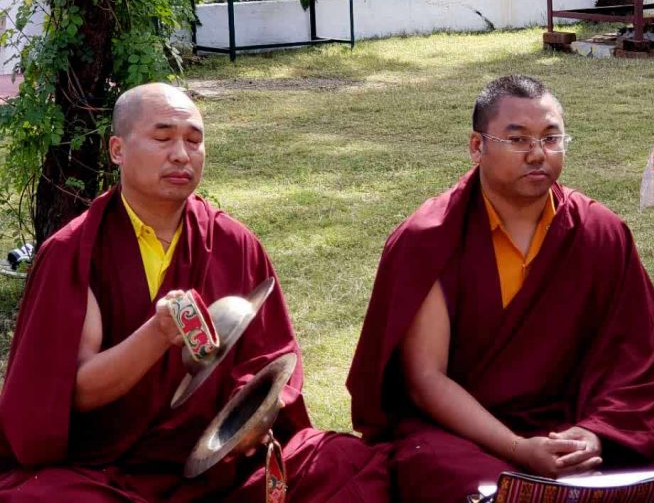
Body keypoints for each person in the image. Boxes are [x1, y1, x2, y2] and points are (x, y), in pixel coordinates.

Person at [348, 75, 654, 503]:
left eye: (551, 138)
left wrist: (596, 433)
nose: (537, 154)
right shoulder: (430, 238)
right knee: (458, 480)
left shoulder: (598, 231)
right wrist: (518, 449)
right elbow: (425, 380)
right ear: (477, 147)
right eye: (517, 139)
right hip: (466, 431)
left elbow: (637, 361)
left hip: (577, 419)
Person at [0, 83, 389, 502]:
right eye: (163, 138)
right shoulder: (75, 253)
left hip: (221, 467)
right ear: (117, 149)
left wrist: (251, 415)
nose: (182, 155)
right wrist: (156, 334)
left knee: (346, 463)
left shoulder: (232, 241)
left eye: (194, 141)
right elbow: (72, 390)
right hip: (111, 471)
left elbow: (271, 359)